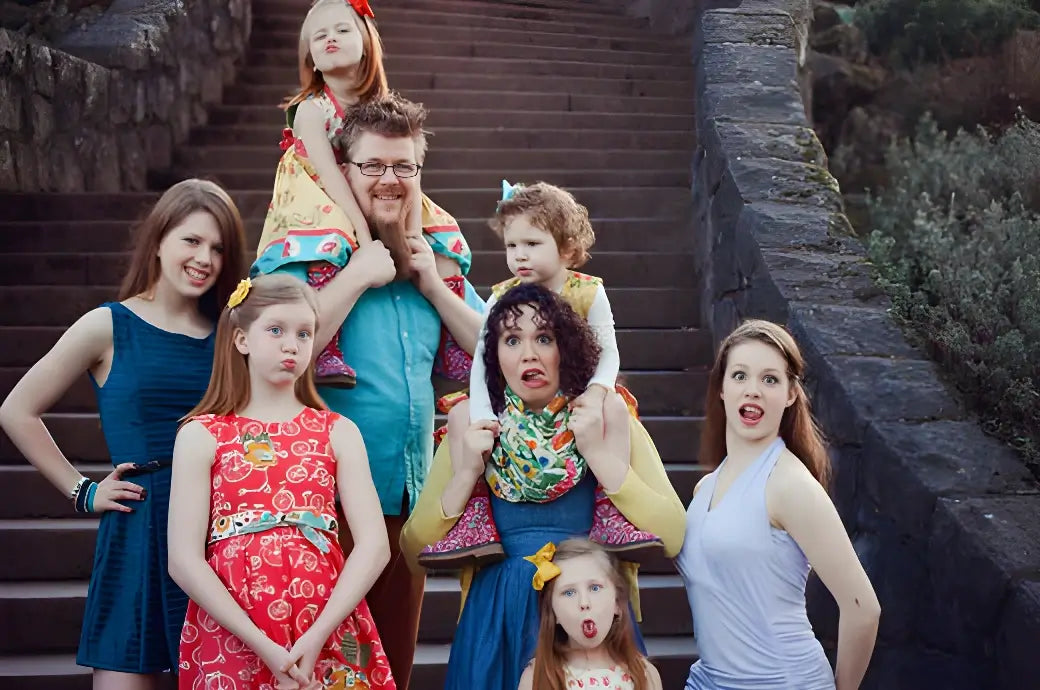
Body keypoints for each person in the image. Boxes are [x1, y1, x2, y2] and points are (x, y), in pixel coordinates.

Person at [263, 92, 484, 689]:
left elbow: (500, 352)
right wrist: (359, 274)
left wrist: (436, 288)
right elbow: (272, 354)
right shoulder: (306, 257)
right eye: (373, 166)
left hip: (405, 509)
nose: (390, 180)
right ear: (343, 169)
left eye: (404, 167)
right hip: (315, 514)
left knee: (391, 674)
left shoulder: (435, 261)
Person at [0, 179, 246, 688]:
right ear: (158, 240)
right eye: (192, 241)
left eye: (219, 248)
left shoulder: (230, 334)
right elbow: (17, 410)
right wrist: (83, 491)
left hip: (219, 530)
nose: (205, 258)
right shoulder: (107, 325)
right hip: (140, 525)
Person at [401, 283, 686, 690]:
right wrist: (465, 474)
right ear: (494, 356)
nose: (528, 353)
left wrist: (598, 455)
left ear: (567, 349)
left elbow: (673, 534)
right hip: (494, 624)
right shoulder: (474, 424)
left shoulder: (605, 417)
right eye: (512, 339)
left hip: (588, 626)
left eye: (544, 338)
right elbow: (414, 552)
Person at [168, 273, 394, 689]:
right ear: (241, 339)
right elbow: (183, 560)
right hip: (236, 634)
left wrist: (317, 636)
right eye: (276, 330)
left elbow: (375, 546)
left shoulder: (337, 431)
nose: (292, 344)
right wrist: (263, 646)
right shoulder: (201, 436)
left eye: (304, 333)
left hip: (324, 624)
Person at [420, 181, 660, 569]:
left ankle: (608, 510)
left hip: (575, 400)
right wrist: (483, 411)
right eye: (512, 246)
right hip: (517, 400)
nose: (520, 256)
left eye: (532, 244)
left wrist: (597, 393)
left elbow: (609, 351)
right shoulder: (503, 296)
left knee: (615, 408)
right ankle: (475, 517)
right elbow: (482, 359)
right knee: (465, 419)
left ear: (566, 248)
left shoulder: (586, 293)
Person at [253, 0, 471, 389]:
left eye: (342, 30)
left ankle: (452, 346)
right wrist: (362, 234)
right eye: (319, 36)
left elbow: (412, 172)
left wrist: (415, 234)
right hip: (318, 194)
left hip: (370, 186)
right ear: (312, 60)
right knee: (331, 237)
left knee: (445, 238)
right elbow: (327, 175)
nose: (330, 39)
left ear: (368, 44)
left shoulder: (380, 107)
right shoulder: (312, 109)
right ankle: (327, 347)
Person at [676, 320, 881, 690]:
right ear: (721, 387)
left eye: (769, 379)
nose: (752, 391)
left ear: (790, 394)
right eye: (740, 375)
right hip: (709, 680)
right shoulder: (705, 488)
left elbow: (863, 608)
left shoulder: (789, 485)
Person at [519, 538, 663, 690]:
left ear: (617, 603)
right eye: (569, 592)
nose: (584, 602)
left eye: (595, 588)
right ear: (553, 613)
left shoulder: (645, 674)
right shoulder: (537, 677)